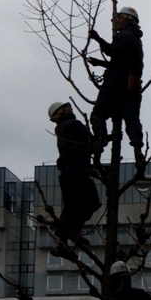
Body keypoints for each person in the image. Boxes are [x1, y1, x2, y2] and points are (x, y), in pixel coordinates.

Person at [88, 7, 144, 167]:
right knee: (132, 119)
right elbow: (124, 62)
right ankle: (138, 151)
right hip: (131, 85)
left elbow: (114, 52)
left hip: (115, 82)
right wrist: (100, 63)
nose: (115, 21)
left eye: (118, 18)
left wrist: (98, 39)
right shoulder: (136, 40)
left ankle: (101, 139)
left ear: (128, 19)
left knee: (98, 114)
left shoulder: (124, 35)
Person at [47, 102, 101, 243]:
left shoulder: (62, 128)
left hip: (68, 171)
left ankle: (62, 236)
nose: (70, 108)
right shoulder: (72, 124)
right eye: (67, 107)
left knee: (71, 204)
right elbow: (91, 142)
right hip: (76, 169)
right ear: (61, 112)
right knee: (91, 202)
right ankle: (73, 231)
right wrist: (105, 137)